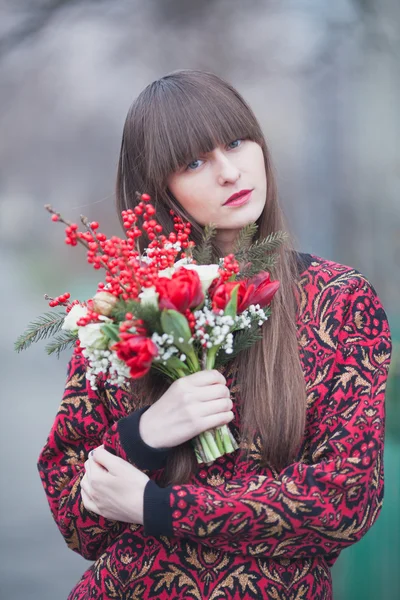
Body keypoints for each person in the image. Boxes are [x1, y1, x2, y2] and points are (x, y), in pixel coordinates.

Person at [37, 70, 392, 600]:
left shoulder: (337, 299)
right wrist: (144, 435)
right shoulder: (128, 311)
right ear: (160, 189)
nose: (229, 172)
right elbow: (76, 518)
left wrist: (156, 507)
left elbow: (344, 504)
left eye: (235, 141)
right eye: (194, 162)